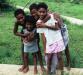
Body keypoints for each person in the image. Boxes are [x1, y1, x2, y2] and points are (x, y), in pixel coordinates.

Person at [36, 2, 65, 75]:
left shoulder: (52, 16)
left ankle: (62, 72)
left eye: (43, 12)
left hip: (58, 39)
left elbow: (57, 27)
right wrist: (45, 48)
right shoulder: (38, 23)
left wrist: (45, 25)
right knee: (48, 58)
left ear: (47, 11)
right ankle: (48, 72)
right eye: (40, 12)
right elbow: (43, 36)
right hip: (50, 42)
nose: (42, 13)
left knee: (59, 57)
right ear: (37, 12)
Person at [29, 3, 51, 72]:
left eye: (35, 12)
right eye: (32, 13)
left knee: (38, 51)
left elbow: (49, 15)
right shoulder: (31, 18)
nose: (34, 14)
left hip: (42, 33)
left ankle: (42, 66)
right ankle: (36, 67)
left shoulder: (42, 16)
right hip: (34, 34)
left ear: (38, 11)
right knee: (34, 51)